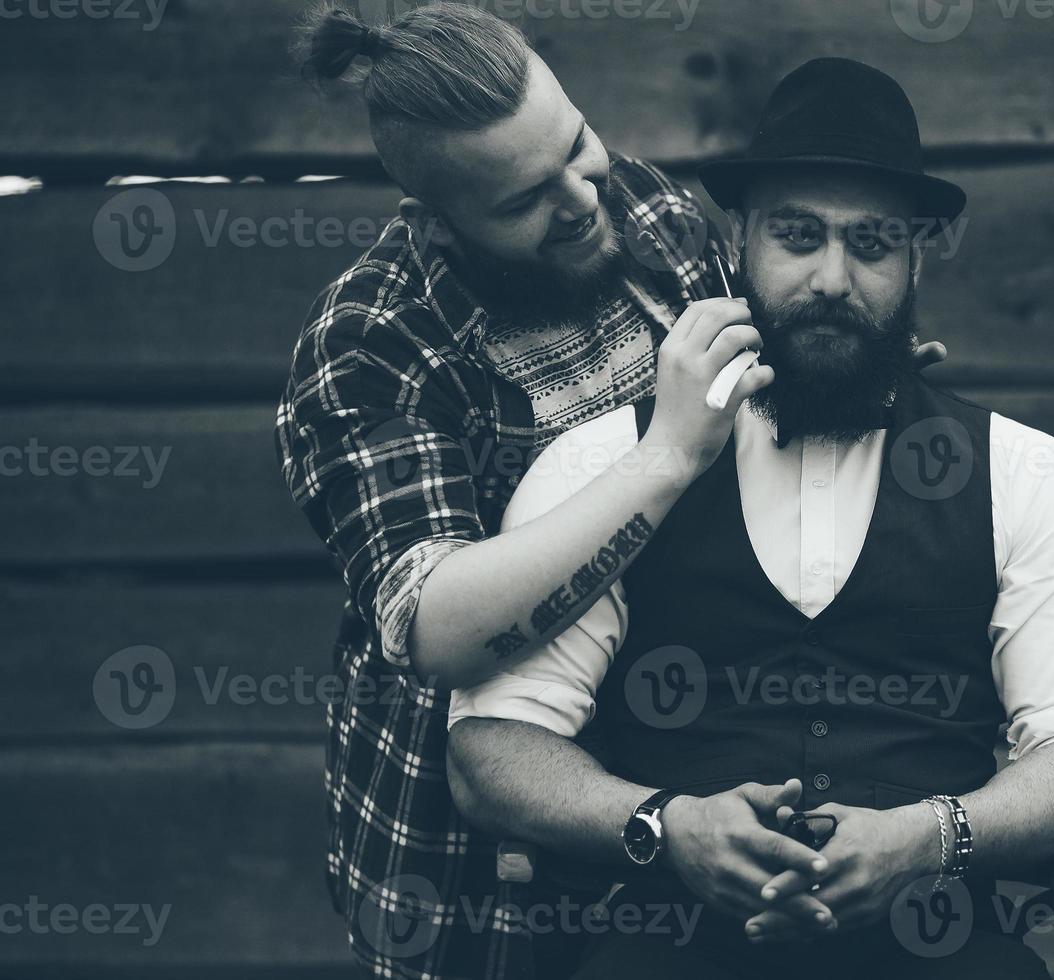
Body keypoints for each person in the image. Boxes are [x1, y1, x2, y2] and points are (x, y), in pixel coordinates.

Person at [447, 58, 1054, 979]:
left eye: (870, 244)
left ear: (916, 257)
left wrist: (932, 836)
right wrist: (666, 825)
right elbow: (491, 749)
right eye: (798, 236)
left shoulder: (1024, 475)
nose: (832, 278)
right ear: (740, 241)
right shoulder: (608, 471)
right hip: (670, 947)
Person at [275, 5, 942, 977]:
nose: (584, 200)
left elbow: (756, 381)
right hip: (480, 815)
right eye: (522, 202)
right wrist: (663, 457)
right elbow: (439, 622)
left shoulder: (651, 213)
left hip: (679, 758)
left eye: (578, 146)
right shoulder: (372, 341)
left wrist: (843, 367)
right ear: (433, 218)